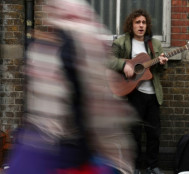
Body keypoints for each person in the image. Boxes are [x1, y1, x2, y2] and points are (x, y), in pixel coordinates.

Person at [5, 0, 137, 174]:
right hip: (65, 153)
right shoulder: (83, 35)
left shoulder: (41, 46)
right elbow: (101, 111)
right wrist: (121, 162)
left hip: (33, 147)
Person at [107, 9, 168, 174]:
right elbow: (109, 60)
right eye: (137, 22)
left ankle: (152, 166)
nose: (141, 26)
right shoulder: (122, 42)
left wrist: (162, 63)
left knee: (154, 133)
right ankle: (133, 167)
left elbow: (161, 71)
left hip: (153, 94)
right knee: (134, 133)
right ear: (131, 25)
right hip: (133, 93)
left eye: (143, 22)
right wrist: (124, 65)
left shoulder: (154, 44)